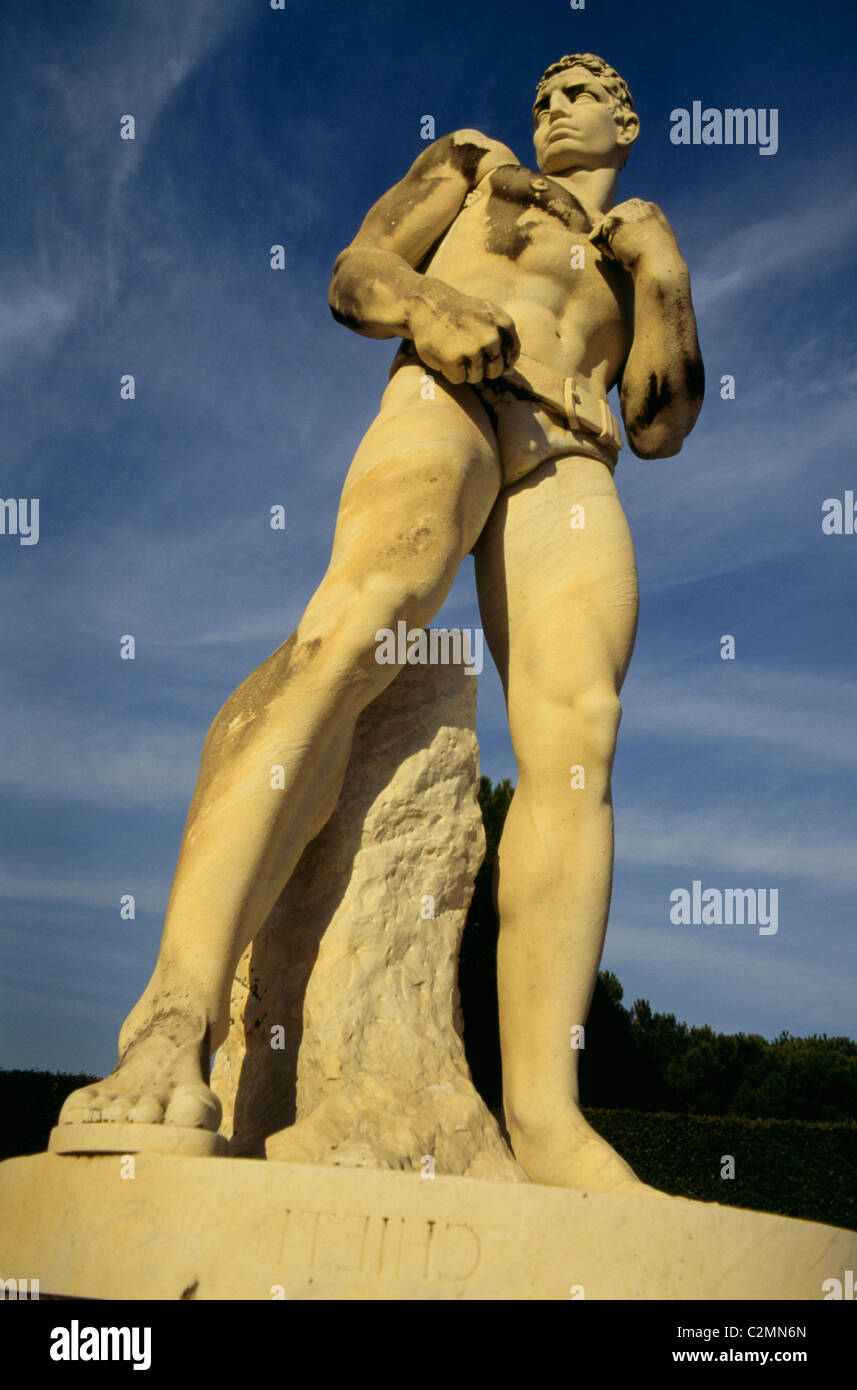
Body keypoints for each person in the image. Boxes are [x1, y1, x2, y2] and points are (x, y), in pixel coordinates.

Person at [56, 53, 703, 1193]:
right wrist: (428, 305)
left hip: (568, 445)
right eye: (543, 91)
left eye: (578, 91)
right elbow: (355, 270)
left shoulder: (633, 245)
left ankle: (546, 1119)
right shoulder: (473, 163)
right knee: (364, 617)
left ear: (627, 119)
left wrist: (662, 279)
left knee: (579, 737)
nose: (549, 105)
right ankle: (174, 1017)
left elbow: (658, 423)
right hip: (446, 389)